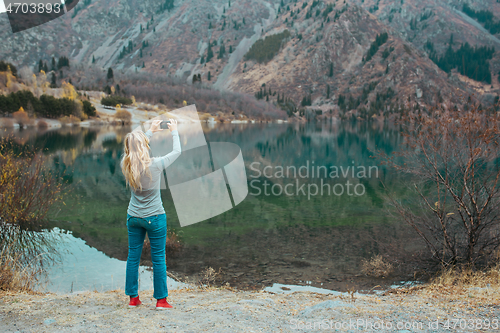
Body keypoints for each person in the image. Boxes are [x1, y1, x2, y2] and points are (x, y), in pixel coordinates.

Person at [120, 118, 181, 310]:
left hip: (133, 217)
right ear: (144, 146)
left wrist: (148, 132)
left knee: (133, 257)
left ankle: (133, 299)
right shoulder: (155, 164)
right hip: (155, 217)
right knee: (158, 258)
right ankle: (161, 301)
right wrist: (174, 131)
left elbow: (135, 149)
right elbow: (177, 152)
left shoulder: (126, 164)